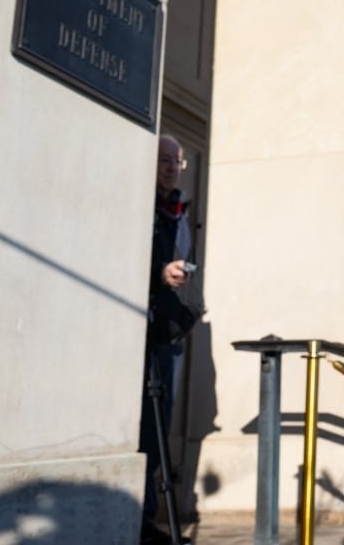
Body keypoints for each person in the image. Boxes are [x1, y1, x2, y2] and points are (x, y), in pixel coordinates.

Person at [140, 134, 201, 544]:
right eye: (163, 159)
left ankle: (147, 517)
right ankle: (141, 517)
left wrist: (178, 272)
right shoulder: (139, 201)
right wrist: (159, 272)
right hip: (138, 324)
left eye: (175, 161)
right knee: (142, 424)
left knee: (158, 425)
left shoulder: (178, 209)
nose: (169, 167)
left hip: (165, 332)